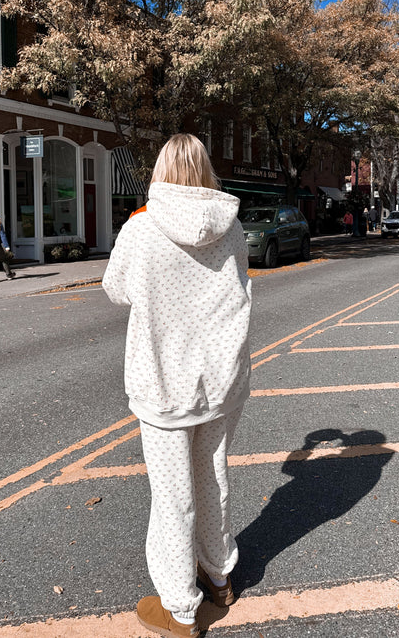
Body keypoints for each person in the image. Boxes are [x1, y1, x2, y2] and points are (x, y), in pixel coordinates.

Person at [102, 134, 252, 638]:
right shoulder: (232, 227)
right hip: (221, 377)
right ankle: (219, 575)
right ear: (206, 169)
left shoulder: (142, 226)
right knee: (213, 478)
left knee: (173, 497)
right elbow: (238, 286)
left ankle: (180, 608)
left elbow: (116, 289)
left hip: (164, 380)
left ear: (161, 170)